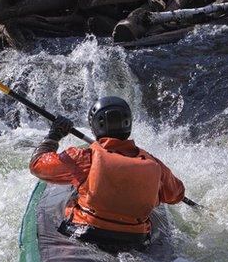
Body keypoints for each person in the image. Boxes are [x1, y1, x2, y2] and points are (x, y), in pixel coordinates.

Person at [29, 96, 186, 253]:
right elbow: (176, 194)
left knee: (72, 194)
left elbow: (37, 165)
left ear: (95, 126)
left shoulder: (84, 157)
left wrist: (54, 135)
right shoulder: (153, 164)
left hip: (85, 233)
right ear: (128, 124)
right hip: (135, 241)